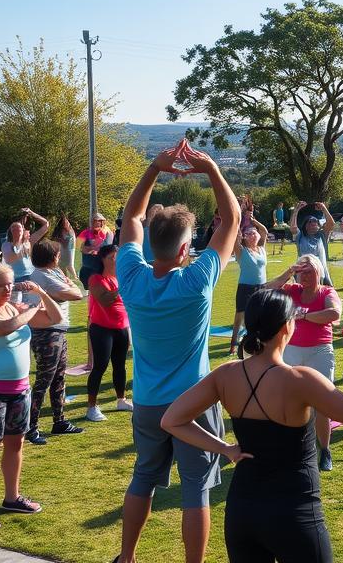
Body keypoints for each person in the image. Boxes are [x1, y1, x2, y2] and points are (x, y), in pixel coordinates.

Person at [161, 290, 343, 562]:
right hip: (294, 512)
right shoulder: (300, 379)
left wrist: (225, 448)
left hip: (242, 512)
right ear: (287, 326)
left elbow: (171, 420)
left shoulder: (226, 374)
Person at [113, 141, 239, 563]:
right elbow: (232, 220)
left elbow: (131, 215)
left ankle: (127, 557)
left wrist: (155, 167)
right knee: (196, 488)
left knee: (143, 478)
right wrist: (211, 170)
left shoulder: (130, 276)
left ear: (150, 244)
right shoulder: (196, 281)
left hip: (147, 402)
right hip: (192, 402)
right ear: (186, 250)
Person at [0, 263, 65, 529]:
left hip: (20, 390)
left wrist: (41, 292)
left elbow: (55, 318)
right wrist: (32, 307)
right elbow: (8, 326)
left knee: (15, 445)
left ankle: (12, 497)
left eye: (11, 283)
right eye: (2, 285)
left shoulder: (16, 308)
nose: (8, 289)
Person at [263, 255, 343, 471]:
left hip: (319, 351)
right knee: (290, 402)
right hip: (292, 350)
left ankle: (324, 449)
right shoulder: (292, 289)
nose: (305, 276)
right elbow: (266, 290)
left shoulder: (327, 292)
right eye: (302, 271)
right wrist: (289, 271)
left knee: (322, 403)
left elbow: (334, 313)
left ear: (319, 272)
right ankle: (293, 449)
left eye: (310, 271)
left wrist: (304, 316)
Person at [24, 239, 84, 444]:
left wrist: (67, 286)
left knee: (58, 379)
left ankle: (59, 422)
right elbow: (76, 294)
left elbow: (75, 291)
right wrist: (67, 287)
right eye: (57, 255)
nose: (59, 258)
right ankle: (30, 428)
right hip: (47, 333)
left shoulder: (53, 273)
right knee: (44, 381)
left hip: (58, 331)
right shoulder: (41, 276)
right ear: (52, 257)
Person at [84, 243, 132, 422]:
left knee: (120, 365)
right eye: (112, 258)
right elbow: (104, 301)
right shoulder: (96, 279)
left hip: (122, 327)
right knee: (100, 367)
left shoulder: (119, 278)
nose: (116, 261)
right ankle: (91, 407)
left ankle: (121, 400)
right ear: (102, 259)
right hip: (102, 329)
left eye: (117, 258)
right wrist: (122, 286)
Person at [229, 215, 269, 357]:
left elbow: (264, 231)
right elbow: (234, 235)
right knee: (240, 315)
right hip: (246, 286)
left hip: (262, 286)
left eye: (253, 233)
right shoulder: (241, 251)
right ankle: (233, 343)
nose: (252, 235)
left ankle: (258, 340)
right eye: (248, 233)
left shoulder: (262, 248)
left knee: (261, 313)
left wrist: (253, 220)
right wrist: (238, 221)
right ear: (244, 237)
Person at [3, 208, 51, 298]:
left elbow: (46, 224)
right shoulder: (7, 244)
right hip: (17, 281)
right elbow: (10, 258)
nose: (26, 230)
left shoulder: (29, 241)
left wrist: (31, 213)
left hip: (31, 277)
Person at [290, 201, 336, 287]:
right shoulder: (300, 236)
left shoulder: (322, 235)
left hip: (321, 272)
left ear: (319, 226)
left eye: (315, 221)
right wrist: (296, 210)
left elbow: (331, 224)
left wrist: (324, 209)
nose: (313, 223)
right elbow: (293, 228)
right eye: (310, 221)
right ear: (306, 226)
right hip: (303, 272)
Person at [79, 212, 113, 290]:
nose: (98, 223)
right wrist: (88, 249)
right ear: (92, 222)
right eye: (96, 221)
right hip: (87, 268)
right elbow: (78, 247)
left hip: (101, 268)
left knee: (101, 289)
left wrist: (97, 248)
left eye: (100, 221)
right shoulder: (85, 233)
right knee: (90, 290)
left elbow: (109, 250)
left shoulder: (107, 233)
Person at [52, 213, 79, 285]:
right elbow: (57, 240)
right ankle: (66, 278)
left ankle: (75, 278)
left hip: (69, 249)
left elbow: (65, 243)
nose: (67, 223)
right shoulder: (61, 230)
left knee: (69, 264)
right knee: (63, 265)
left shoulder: (69, 230)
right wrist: (59, 240)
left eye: (67, 222)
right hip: (64, 249)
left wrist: (60, 240)